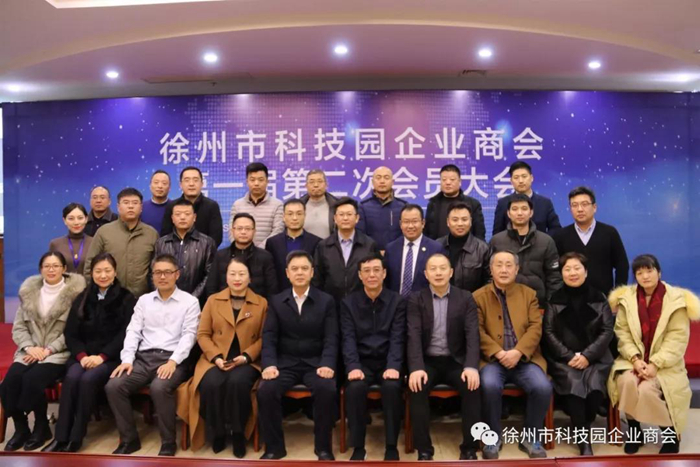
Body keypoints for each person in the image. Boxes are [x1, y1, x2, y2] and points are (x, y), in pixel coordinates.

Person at [105, 254, 200, 457]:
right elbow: (133, 331)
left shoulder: (190, 302)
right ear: (152, 276)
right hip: (143, 359)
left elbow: (189, 336)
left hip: (174, 359)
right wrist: (127, 360)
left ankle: (168, 442)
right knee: (114, 386)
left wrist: (173, 361)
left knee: (159, 387)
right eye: (158, 273)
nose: (162, 277)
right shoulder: (144, 301)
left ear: (177, 274)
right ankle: (129, 440)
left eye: (167, 272)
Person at [43, 253, 136, 453]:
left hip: (110, 358)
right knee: (72, 377)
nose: (103, 275)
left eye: (107, 271)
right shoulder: (83, 297)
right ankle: (60, 437)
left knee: (87, 380)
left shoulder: (126, 298)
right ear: (91, 273)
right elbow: (70, 333)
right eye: (98, 271)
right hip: (82, 357)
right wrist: (82, 356)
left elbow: (125, 334)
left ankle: (76, 437)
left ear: (115, 272)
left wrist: (101, 357)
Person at [607, 254, 699, 455]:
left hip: (666, 364)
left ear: (659, 272)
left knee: (648, 389)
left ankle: (670, 434)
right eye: (639, 273)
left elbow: (677, 338)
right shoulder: (627, 299)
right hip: (633, 360)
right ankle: (635, 432)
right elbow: (622, 333)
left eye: (649, 271)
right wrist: (635, 359)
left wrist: (655, 364)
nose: (645, 276)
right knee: (626, 382)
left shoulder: (676, 300)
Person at [177, 258, 267, 457]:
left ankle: (238, 433)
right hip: (215, 358)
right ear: (226, 278)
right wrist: (216, 357)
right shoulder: (213, 300)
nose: (237, 278)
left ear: (250, 278)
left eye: (242, 274)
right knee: (211, 383)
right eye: (232, 274)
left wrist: (246, 357)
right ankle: (217, 431)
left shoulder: (261, 303)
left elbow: (264, 338)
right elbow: (202, 334)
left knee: (238, 382)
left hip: (246, 360)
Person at [256, 251, 338, 460]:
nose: (299, 273)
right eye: (295, 269)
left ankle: (323, 448)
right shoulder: (277, 301)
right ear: (287, 273)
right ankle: (274, 448)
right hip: (286, 363)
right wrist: (269, 365)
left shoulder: (326, 301)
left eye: (304, 268)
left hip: (316, 364)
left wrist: (328, 364)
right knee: (266, 390)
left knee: (327, 388)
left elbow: (331, 337)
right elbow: (269, 337)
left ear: (312, 272)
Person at [0, 252, 86, 452]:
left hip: (58, 353)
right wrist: (30, 347)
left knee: (32, 379)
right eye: (47, 266)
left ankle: (41, 427)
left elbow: (73, 331)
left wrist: (48, 350)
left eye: (56, 266)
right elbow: (19, 328)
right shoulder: (29, 293)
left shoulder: (76, 296)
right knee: (9, 381)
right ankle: (21, 429)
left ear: (64, 269)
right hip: (30, 350)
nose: (51, 270)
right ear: (41, 269)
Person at [473, 250, 552, 459]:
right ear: (491, 270)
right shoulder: (478, 297)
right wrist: (499, 353)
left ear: (517, 269)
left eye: (509, 265)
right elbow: (477, 331)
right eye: (499, 265)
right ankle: (492, 438)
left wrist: (518, 352)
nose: (504, 269)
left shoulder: (529, 294)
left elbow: (536, 327)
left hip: (525, 359)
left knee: (542, 387)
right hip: (492, 360)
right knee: (489, 386)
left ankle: (530, 438)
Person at [406, 253, 481, 461]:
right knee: (417, 387)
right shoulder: (416, 299)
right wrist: (416, 367)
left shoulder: (465, 298)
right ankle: (424, 450)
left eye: (442, 268)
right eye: (433, 269)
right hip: (427, 362)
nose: (438, 273)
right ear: (426, 274)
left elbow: (472, 335)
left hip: (456, 361)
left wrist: (471, 366)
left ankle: (469, 448)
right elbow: (413, 335)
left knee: (473, 387)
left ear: (451, 272)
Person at [542, 253, 613, 456]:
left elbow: (607, 330)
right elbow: (549, 332)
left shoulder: (599, 298)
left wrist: (587, 356)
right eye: (567, 269)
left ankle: (584, 423)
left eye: (577, 268)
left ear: (586, 271)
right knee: (574, 384)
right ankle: (583, 439)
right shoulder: (554, 300)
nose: (572, 273)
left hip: (596, 357)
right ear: (561, 273)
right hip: (564, 359)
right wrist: (569, 356)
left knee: (595, 386)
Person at [340, 253, 406, 461]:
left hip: (388, 361)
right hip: (361, 362)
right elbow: (348, 338)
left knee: (392, 387)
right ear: (360, 275)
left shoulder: (397, 301)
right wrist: (353, 366)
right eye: (366, 271)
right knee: (355, 388)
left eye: (376, 270)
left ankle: (391, 446)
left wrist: (393, 365)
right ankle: (358, 447)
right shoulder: (348, 303)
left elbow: (398, 337)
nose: (372, 275)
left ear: (384, 273)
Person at [83, 187, 158, 298]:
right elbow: (90, 265)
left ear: (141, 207)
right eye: (126, 203)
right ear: (118, 207)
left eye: (135, 203)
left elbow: (157, 268)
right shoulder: (104, 232)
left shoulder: (151, 234)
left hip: (142, 299)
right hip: (110, 299)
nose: (130, 206)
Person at [490, 194, 562, 307]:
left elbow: (554, 278)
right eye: (515, 209)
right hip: (503, 304)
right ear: (508, 213)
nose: (519, 213)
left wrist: (551, 308)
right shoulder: (496, 241)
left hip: (538, 304)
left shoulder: (546, 241)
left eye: (524, 209)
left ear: (531, 212)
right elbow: (489, 276)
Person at [554, 186, 628, 295]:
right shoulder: (560, 236)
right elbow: (556, 271)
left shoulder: (609, 233)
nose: (580, 209)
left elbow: (622, 265)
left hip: (604, 299)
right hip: (570, 299)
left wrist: (617, 296)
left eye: (584, 204)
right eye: (574, 205)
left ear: (594, 207)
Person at [313, 197, 380, 303]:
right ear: (335, 218)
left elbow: (377, 277)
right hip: (331, 304)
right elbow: (317, 279)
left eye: (349, 214)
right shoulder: (323, 246)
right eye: (341, 214)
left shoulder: (369, 245)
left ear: (357, 218)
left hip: (361, 304)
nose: (345, 218)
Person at [155, 198, 216, 304]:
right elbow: (154, 273)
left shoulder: (207, 243)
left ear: (194, 217)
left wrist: (191, 299)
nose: (182, 217)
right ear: (172, 218)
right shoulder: (161, 243)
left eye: (187, 214)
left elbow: (210, 275)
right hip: (165, 301)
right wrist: (164, 295)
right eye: (178, 214)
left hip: (197, 302)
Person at [205, 213, 277, 299]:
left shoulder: (265, 257)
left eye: (247, 229)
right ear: (232, 230)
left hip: (257, 305)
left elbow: (272, 290)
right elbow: (211, 287)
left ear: (254, 231)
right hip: (224, 305)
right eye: (239, 228)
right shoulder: (220, 256)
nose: (243, 232)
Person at [384, 204, 445, 297]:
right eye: (406, 222)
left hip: (424, 302)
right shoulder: (391, 249)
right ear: (400, 224)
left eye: (414, 221)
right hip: (396, 302)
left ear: (423, 223)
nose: (410, 226)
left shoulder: (435, 248)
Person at [265, 199, 321, 291]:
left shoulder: (316, 242)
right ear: (283, 217)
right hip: (280, 294)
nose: (294, 218)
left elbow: (317, 274)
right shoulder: (272, 243)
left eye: (299, 214)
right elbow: (271, 274)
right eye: (290, 214)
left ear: (304, 216)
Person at [492, 161, 561, 236]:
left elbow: (555, 229)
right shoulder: (503, 203)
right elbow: (497, 233)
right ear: (511, 181)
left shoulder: (545, 203)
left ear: (531, 178)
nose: (521, 181)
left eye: (524, 176)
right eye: (516, 177)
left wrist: (542, 240)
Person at [161, 166, 224, 247]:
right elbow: (166, 235)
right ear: (181, 185)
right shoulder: (172, 206)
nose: (191, 184)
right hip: (176, 253)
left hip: (204, 253)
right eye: (187, 180)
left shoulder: (212, 206)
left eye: (195, 180)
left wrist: (200, 252)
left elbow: (216, 237)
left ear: (202, 184)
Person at [436, 202, 491, 293]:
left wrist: (477, 298)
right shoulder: (437, 245)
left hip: (473, 299)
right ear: (448, 222)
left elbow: (489, 280)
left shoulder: (482, 249)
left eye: (464, 219)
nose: (460, 224)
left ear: (471, 221)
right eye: (455, 220)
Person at [424, 164, 485, 240]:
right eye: (444, 179)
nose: (448, 182)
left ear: (460, 182)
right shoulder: (433, 204)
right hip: (438, 246)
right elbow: (427, 233)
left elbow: (479, 234)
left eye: (452, 179)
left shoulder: (473, 204)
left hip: (467, 247)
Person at [230, 162, 284, 248]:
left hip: (268, 252)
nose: (256, 183)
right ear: (247, 182)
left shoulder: (277, 205)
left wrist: (258, 251)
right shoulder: (237, 205)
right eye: (252, 180)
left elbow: (278, 231)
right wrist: (241, 248)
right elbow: (232, 231)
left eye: (260, 180)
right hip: (241, 252)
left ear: (267, 181)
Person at [357, 166, 407, 251]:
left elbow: (407, 234)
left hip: (398, 253)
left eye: (386, 178)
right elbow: (360, 235)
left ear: (392, 182)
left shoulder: (403, 206)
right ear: (373, 182)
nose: (382, 181)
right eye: (378, 177)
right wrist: (376, 252)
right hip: (371, 254)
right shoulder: (363, 207)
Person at [49, 203, 93, 274]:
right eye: (71, 218)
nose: (76, 222)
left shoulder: (94, 242)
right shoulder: (55, 244)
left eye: (80, 218)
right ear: (64, 220)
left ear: (86, 219)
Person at [300, 169, 338, 239]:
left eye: (320, 181)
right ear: (306, 186)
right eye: (311, 182)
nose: (316, 185)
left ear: (326, 185)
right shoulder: (299, 205)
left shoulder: (337, 205)